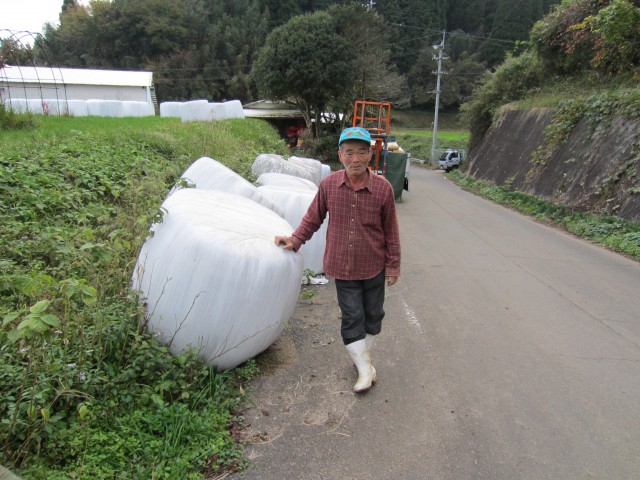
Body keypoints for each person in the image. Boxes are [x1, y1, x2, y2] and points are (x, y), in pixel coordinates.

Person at [274, 126, 401, 393]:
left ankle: (364, 362)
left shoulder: (383, 189)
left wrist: (393, 265)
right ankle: (365, 371)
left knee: (374, 315)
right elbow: (313, 218)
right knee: (352, 316)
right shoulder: (329, 185)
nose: (356, 159)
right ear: (340, 155)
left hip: (374, 266)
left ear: (370, 155)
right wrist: (295, 240)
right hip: (342, 266)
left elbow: (391, 230)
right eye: (349, 153)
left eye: (362, 152)